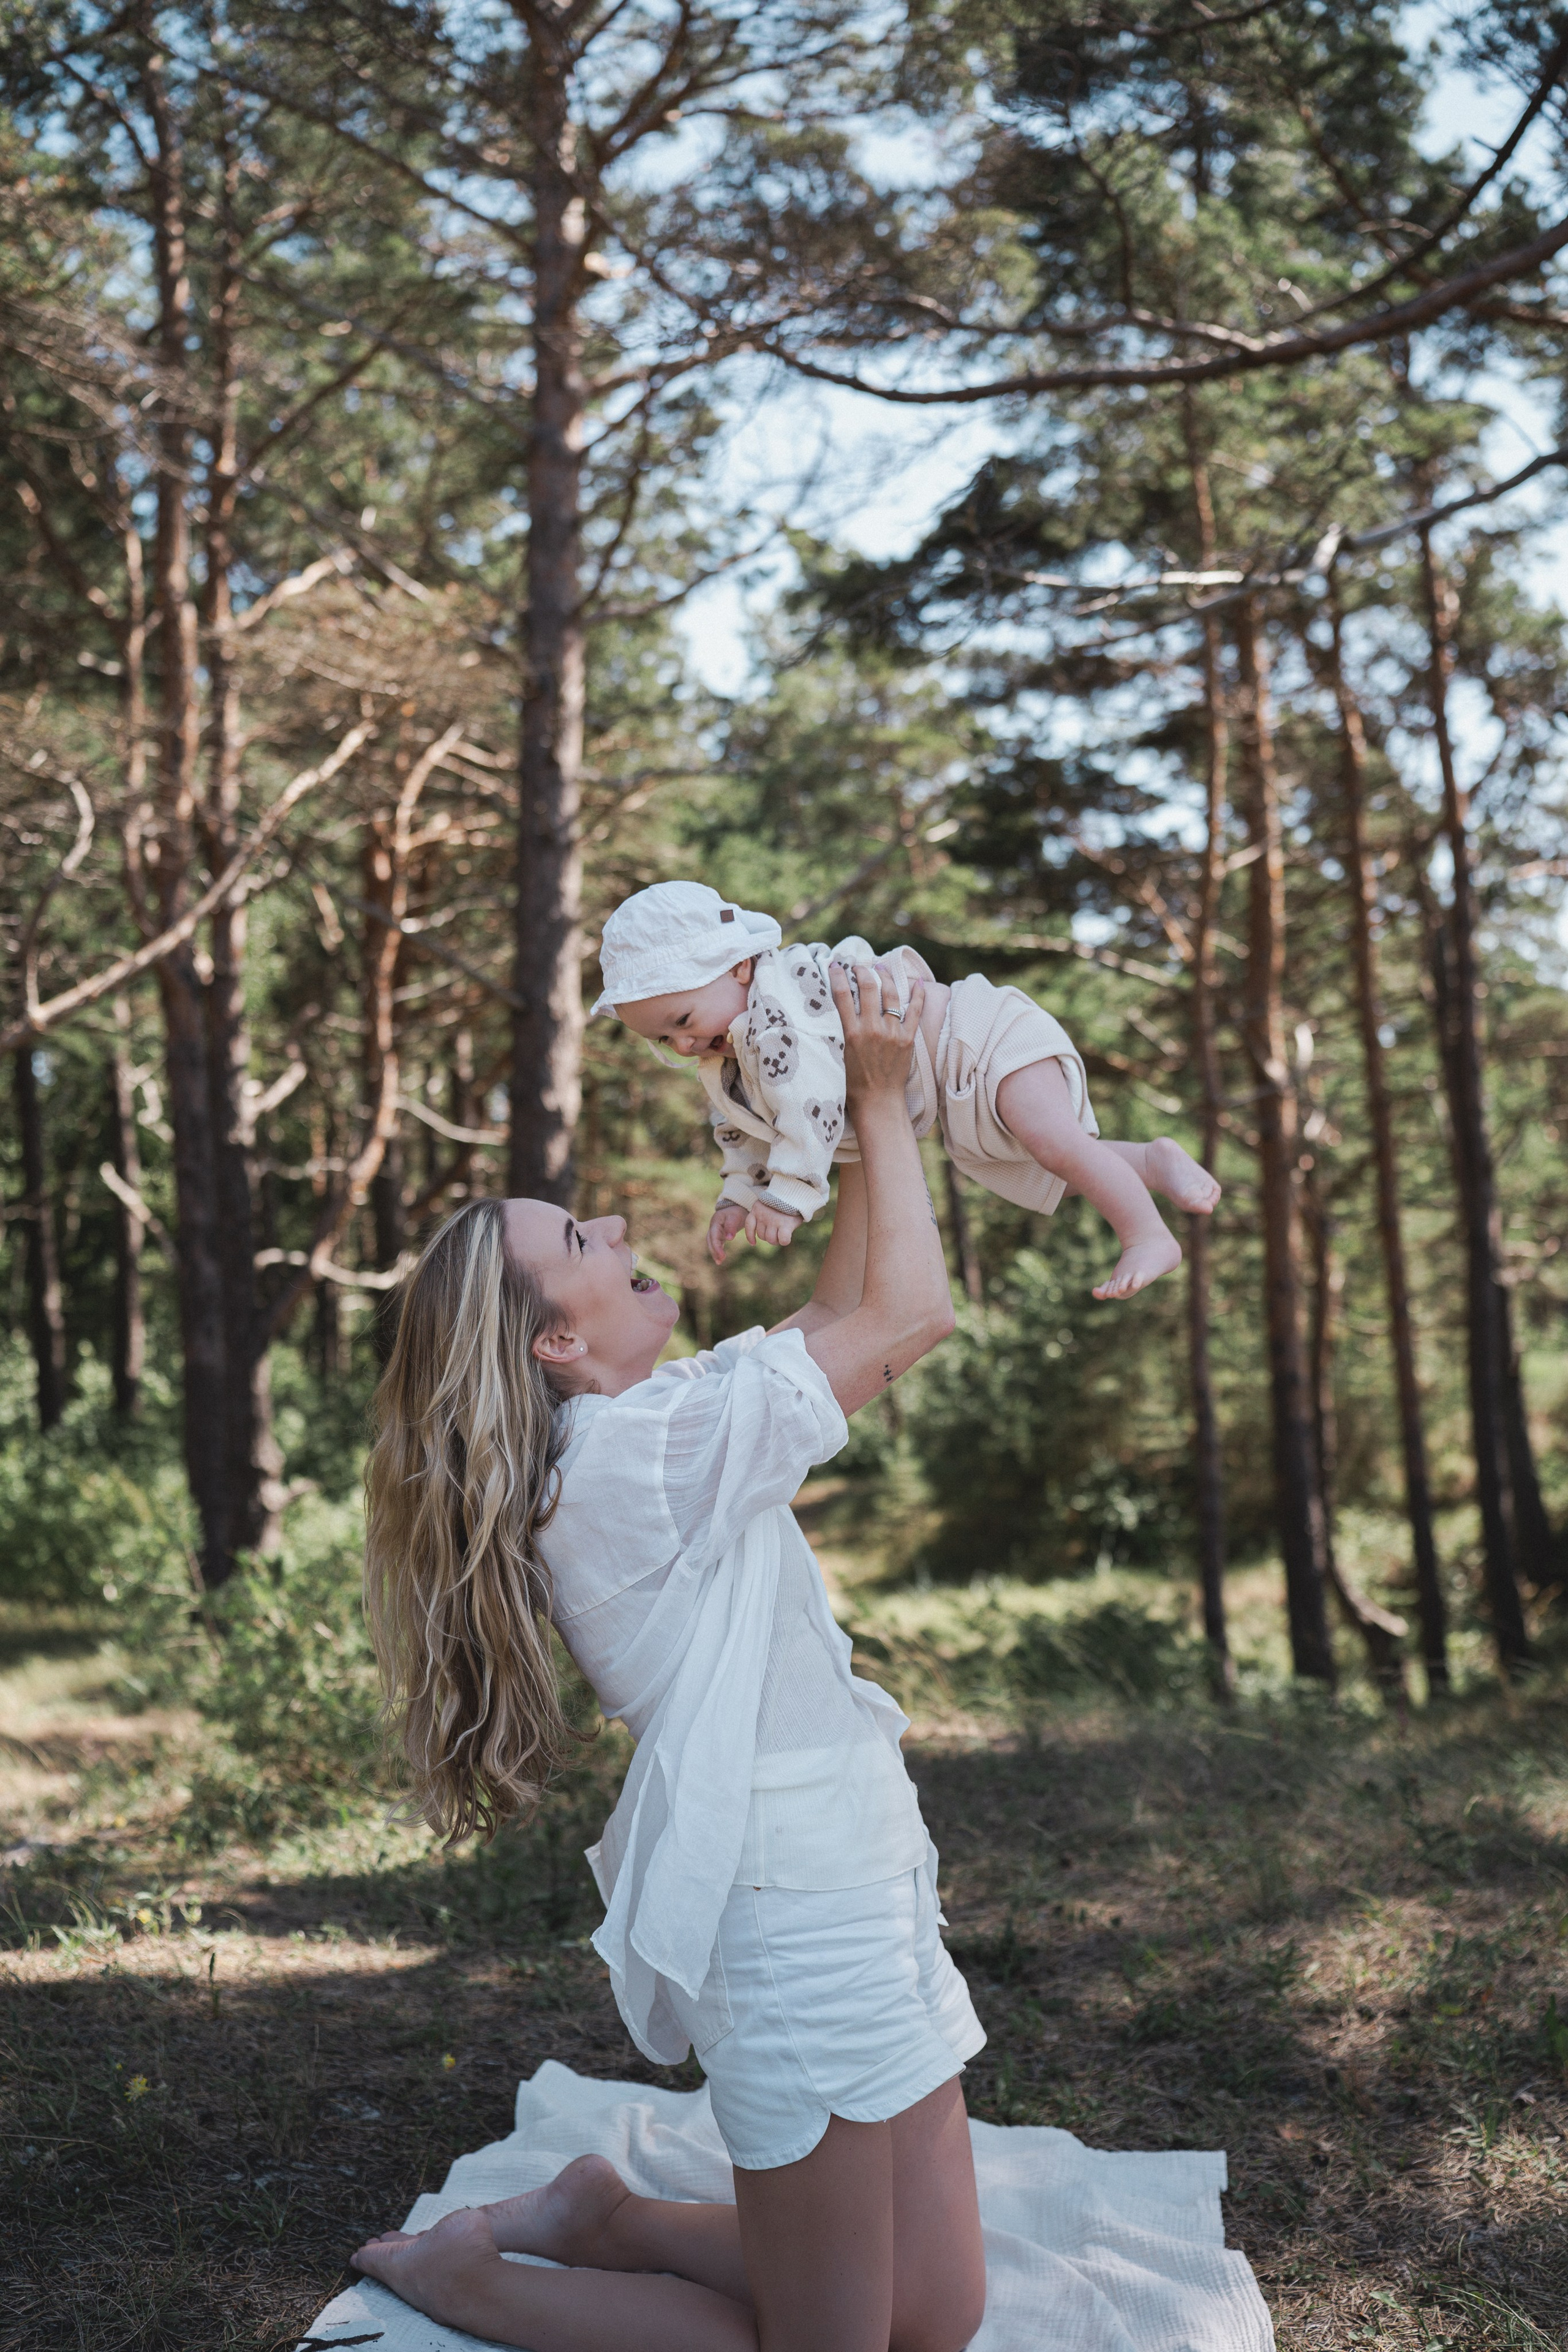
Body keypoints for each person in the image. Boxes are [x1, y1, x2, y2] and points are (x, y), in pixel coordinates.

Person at [352, 960, 987, 2352]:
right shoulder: (634, 1459)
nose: (626, 1218)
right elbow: (908, 1318)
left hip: (864, 1862)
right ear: (559, 1336)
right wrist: (883, 1099)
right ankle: (467, 2279)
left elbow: (838, 1314)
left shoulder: (662, 1415)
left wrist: (842, 1122)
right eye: (585, 1229)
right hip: (787, 1903)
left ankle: (608, 2215)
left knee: (933, 2316)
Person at [595, 880, 1220, 1303]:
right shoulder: (728, 1052)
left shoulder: (777, 1009)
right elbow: (743, 1132)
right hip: (954, 1090)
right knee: (1041, 1152)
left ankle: (1145, 1235)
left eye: (681, 1022)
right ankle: (1150, 1161)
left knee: (1054, 1144)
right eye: (660, 1040)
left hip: (974, 1036)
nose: (680, 1046)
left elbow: (808, 1104)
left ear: (737, 968)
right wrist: (738, 1192)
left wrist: (787, 1198)